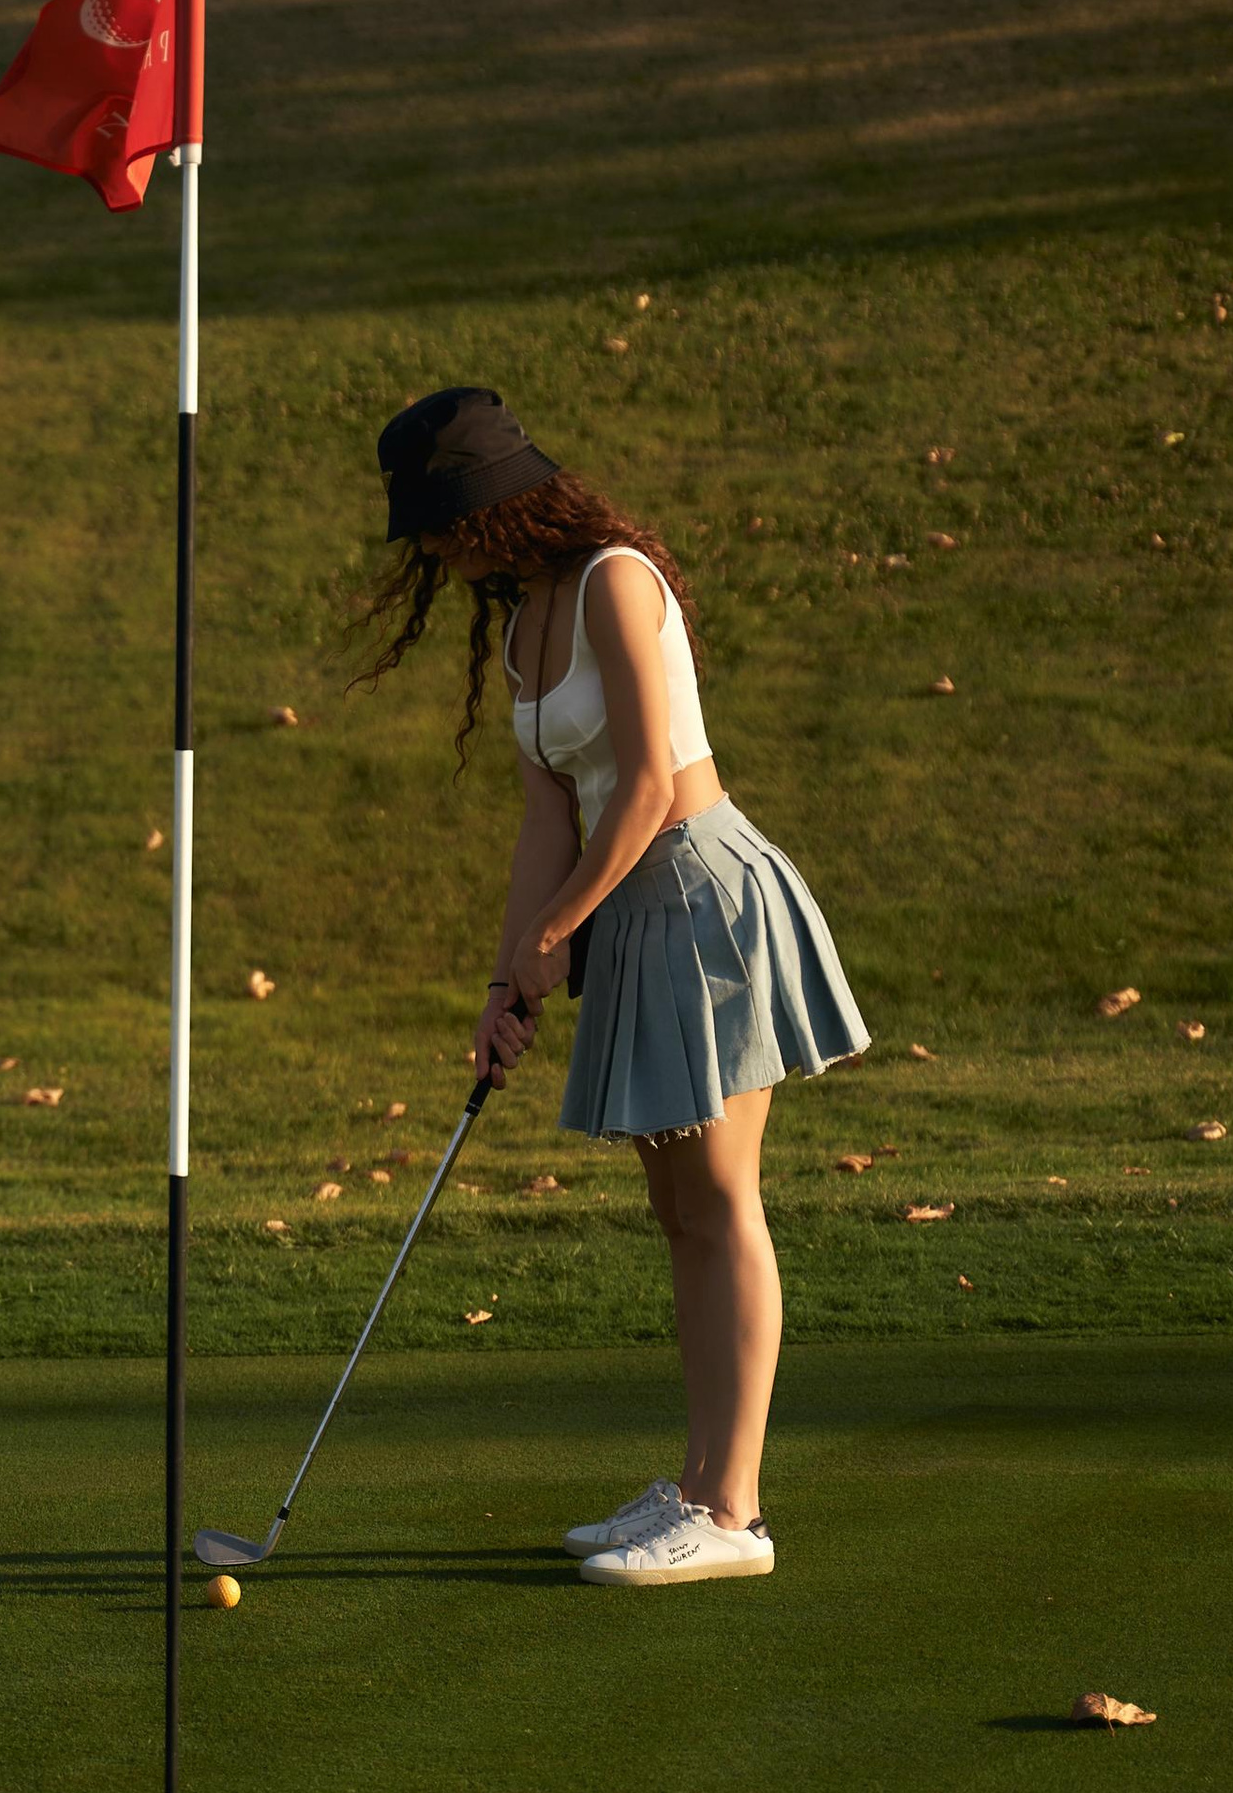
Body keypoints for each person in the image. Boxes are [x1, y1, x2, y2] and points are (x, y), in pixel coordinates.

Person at [363, 387, 869, 1591]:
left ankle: (734, 1513)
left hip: (701, 899)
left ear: (492, 505)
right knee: (679, 1213)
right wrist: (508, 976)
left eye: (440, 522)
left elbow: (646, 785)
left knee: (721, 1195)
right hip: (628, 909)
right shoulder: (520, 624)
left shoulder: (615, 582)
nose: (433, 547)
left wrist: (558, 930)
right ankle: (696, 1485)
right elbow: (551, 815)